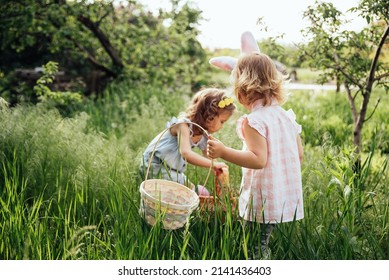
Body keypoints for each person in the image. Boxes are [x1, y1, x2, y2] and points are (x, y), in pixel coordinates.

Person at [207, 52, 304, 258]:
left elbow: (258, 160)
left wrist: (223, 152)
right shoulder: (285, 117)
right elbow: (299, 155)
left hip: (262, 198)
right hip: (280, 196)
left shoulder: (254, 121)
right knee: (262, 242)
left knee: (255, 248)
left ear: (242, 91)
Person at [140, 87, 236, 192]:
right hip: (156, 165)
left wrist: (218, 170)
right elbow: (186, 153)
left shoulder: (203, 135)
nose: (222, 126)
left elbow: (210, 157)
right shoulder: (183, 126)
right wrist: (214, 165)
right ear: (209, 116)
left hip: (172, 171)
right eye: (222, 122)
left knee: (193, 192)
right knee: (188, 193)